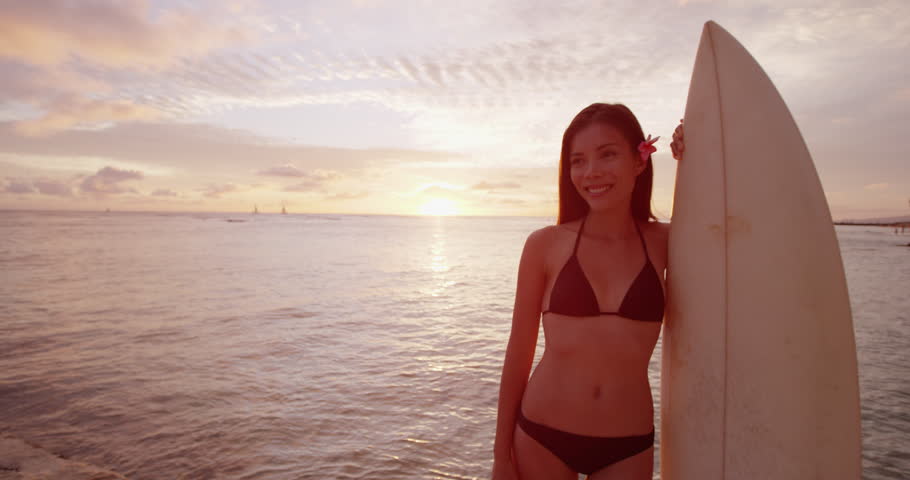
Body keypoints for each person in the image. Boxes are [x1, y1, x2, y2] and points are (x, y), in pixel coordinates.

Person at [491, 103, 685, 480]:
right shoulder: (545, 245)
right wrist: (501, 456)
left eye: (607, 154)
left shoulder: (667, 242)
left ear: (640, 160)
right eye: (578, 160)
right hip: (542, 436)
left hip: (627, 444)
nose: (591, 172)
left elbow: (725, 229)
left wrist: (695, 159)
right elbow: (518, 352)